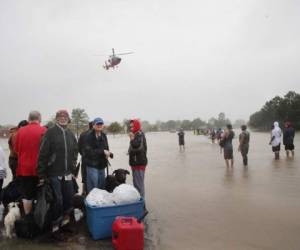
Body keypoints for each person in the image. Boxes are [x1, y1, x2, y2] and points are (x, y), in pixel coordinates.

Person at [38, 110, 78, 240]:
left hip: (67, 174)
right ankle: (55, 229)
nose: (63, 118)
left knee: (68, 200)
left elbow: (74, 153)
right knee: (57, 202)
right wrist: (42, 175)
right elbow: (42, 154)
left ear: (68, 119)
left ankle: (65, 225)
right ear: (56, 119)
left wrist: (73, 169)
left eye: (65, 116)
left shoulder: (71, 134)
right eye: (60, 116)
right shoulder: (50, 132)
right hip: (54, 174)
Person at [14, 111, 46, 215]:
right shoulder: (44, 130)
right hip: (40, 169)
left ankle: (28, 216)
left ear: (29, 119)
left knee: (27, 195)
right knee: (40, 193)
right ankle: (39, 216)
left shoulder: (20, 131)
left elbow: (16, 149)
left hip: (24, 169)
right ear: (39, 119)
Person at [84, 118, 112, 193]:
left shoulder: (104, 135)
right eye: (97, 124)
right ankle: (92, 203)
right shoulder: (88, 136)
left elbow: (106, 148)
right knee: (93, 188)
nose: (99, 125)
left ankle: (100, 204)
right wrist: (102, 151)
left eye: (101, 124)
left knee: (101, 187)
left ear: (103, 125)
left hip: (102, 165)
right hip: (92, 165)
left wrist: (109, 154)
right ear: (93, 125)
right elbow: (88, 152)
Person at [128, 119, 147, 199]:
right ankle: (138, 204)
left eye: (132, 126)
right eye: (130, 126)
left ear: (136, 126)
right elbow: (134, 148)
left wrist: (132, 138)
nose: (131, 128)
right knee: (136, 184)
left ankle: (142, 206)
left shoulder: (139, 134)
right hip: (135, 163)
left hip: (139, 164)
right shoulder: (135, 134)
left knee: (139, 185)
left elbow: (138, 147)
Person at [78, 121, 93, 195]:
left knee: (85, 176)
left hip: (84, 158)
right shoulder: (96, 134)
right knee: (92, 177)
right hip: (94, 160)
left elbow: (79, 147)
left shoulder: (82, 134)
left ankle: (84, 192)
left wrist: (83, 154)